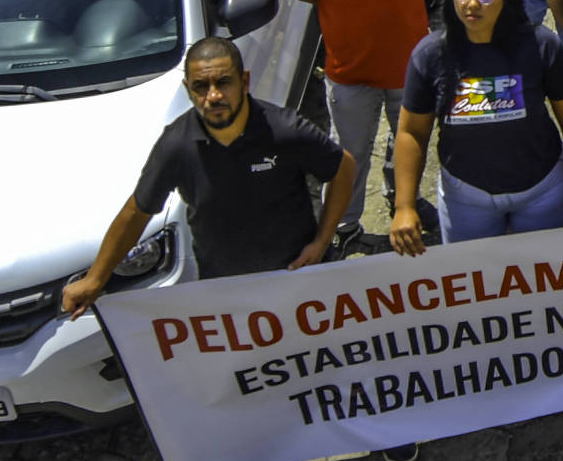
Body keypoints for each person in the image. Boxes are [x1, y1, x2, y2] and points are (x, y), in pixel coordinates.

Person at [63, 36, 354, 312]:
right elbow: (137, 211)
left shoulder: (284, 130)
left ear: (245, 81)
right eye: (201, 86)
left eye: (223, 83)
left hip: (296, 283)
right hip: (224, 296)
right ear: (188, 89)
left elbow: (343, 167)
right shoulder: (176, 145)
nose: (213, 96)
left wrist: (322, 241)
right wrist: (95, 279)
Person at [392, 0, 563, 248]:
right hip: (465, 198)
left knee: (545, 280)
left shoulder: (541, 45)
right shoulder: (430, 55)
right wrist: (405, 206)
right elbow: (412, 132)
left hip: (543, 192)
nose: (472, 3)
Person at [291, 0, 439, 235]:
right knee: (350, 156)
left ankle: (403, 198)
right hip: (350, 74)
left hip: (409, 68)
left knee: (411, 142)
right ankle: (344, 226)